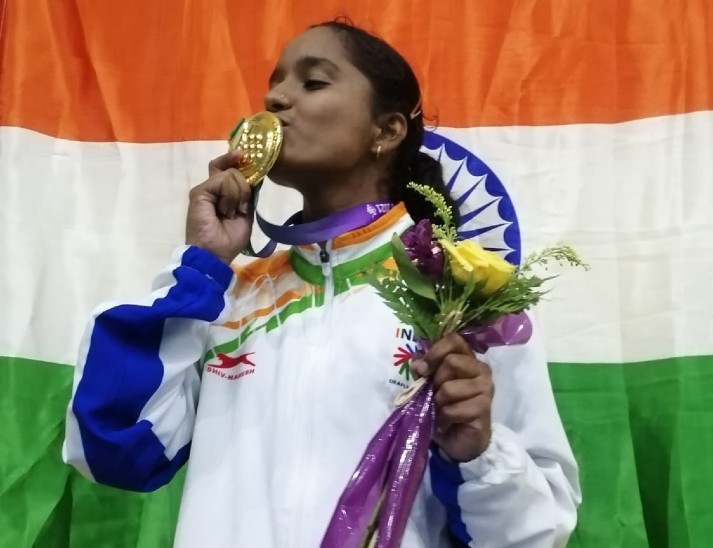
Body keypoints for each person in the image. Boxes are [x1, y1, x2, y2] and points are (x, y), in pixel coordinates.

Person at [63, 19, 581, 547]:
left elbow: (534, 534)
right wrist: (201, 264)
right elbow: (111, 448)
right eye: (274, 85)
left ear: (387, 131)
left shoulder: (467, 298)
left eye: (313, 82)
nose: (275, 100)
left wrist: (480, 452)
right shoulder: (227, 297)